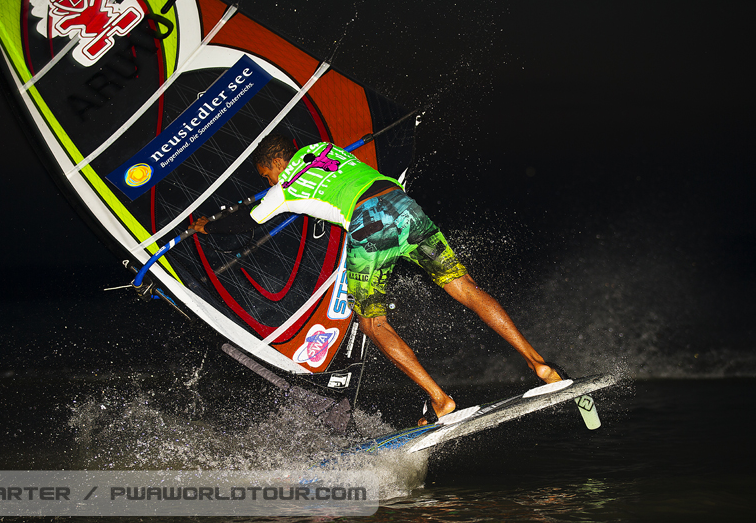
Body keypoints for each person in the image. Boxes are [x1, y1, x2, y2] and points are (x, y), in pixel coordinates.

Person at [191, 133, 562, 425]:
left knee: (372, 322)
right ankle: (542, 367)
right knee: (465, 288)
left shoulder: (282, 189)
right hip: (403, 205)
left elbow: (246, 221)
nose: (269, 180)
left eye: (266, 174)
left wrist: (208, 227)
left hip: (369, 222)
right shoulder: (326, 149)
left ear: (276, 163)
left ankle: (440, 400)